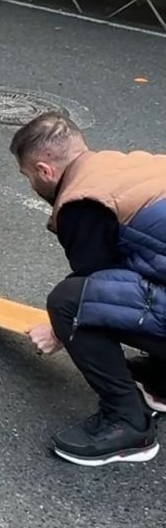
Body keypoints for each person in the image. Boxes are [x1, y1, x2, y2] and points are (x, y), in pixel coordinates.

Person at [12, 111, 166, 466]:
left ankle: (128, 423)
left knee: (68, 302)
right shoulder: (121, 165)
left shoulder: (83, 203)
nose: (32, 185)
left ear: (45, 171)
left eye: (28, 176)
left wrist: (58, 330)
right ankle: (162, 382)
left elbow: (95, 289)